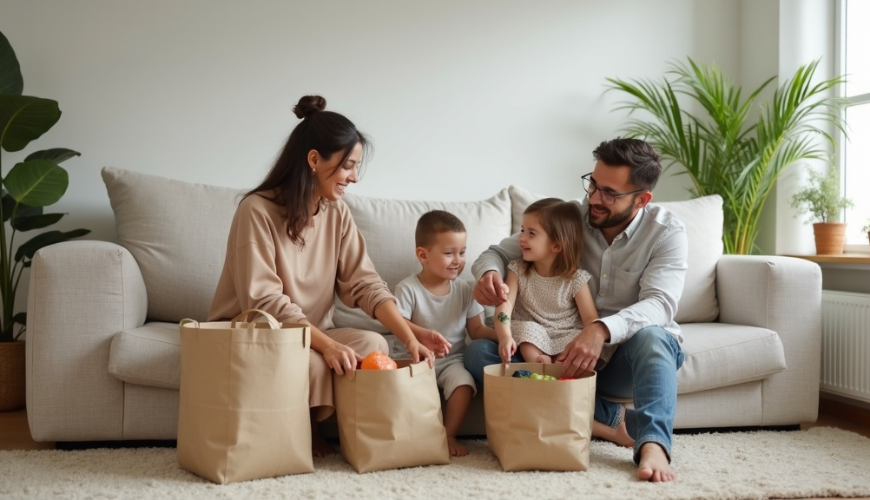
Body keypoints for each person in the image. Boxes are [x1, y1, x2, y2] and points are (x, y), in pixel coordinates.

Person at [209, 95, 435, 457]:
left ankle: (339, 430)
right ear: (314, 159)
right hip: (258, 334)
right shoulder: (256, 211)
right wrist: (327, 345)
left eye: (356, 167)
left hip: (310, 332)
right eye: (347, 166)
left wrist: (409, 337)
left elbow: (365, 283)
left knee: (373, 346)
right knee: (316, 357)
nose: (354, 177)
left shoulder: (337, 213)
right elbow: (264, 301)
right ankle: (301, 432)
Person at [465, 137, 687, 483]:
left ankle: (653, 444)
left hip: (621, 357)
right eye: (593, 185)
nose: (594, 199)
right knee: (480, 352)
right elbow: (496, 253)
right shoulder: (570, 218)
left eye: (610, 193)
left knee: (655, 338)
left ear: (642, 199)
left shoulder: (666, 233)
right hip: (559, 358)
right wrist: (490, 275)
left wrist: (599, 329)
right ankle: (608, 417)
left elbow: (660, 304)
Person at [492, 197, 633, 449]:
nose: (521, 238)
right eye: (523, 231)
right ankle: (606, 427)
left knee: (573, 347)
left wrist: (578, 349)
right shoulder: (516, 270)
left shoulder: (576, 278)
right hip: (532, 340)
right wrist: (503, 335)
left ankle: (552, 377)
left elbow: (591, 321)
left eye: (531, 233)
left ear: (556, 245)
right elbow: (505, 308)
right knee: (524, 328)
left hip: (566, 335)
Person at [393, 210, 494, 457]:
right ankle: (415, 435)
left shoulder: (466, 289)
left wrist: (506, 335)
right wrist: (423, 335)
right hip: (415, 359)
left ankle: (448, 434)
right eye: (449, 253)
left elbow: (477, 330)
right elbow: (399, 324)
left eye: (462, 252)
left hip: (452, 360)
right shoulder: (407, 288)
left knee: (464, 384)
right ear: (423, 255)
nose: (458, 260)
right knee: (402, 387)